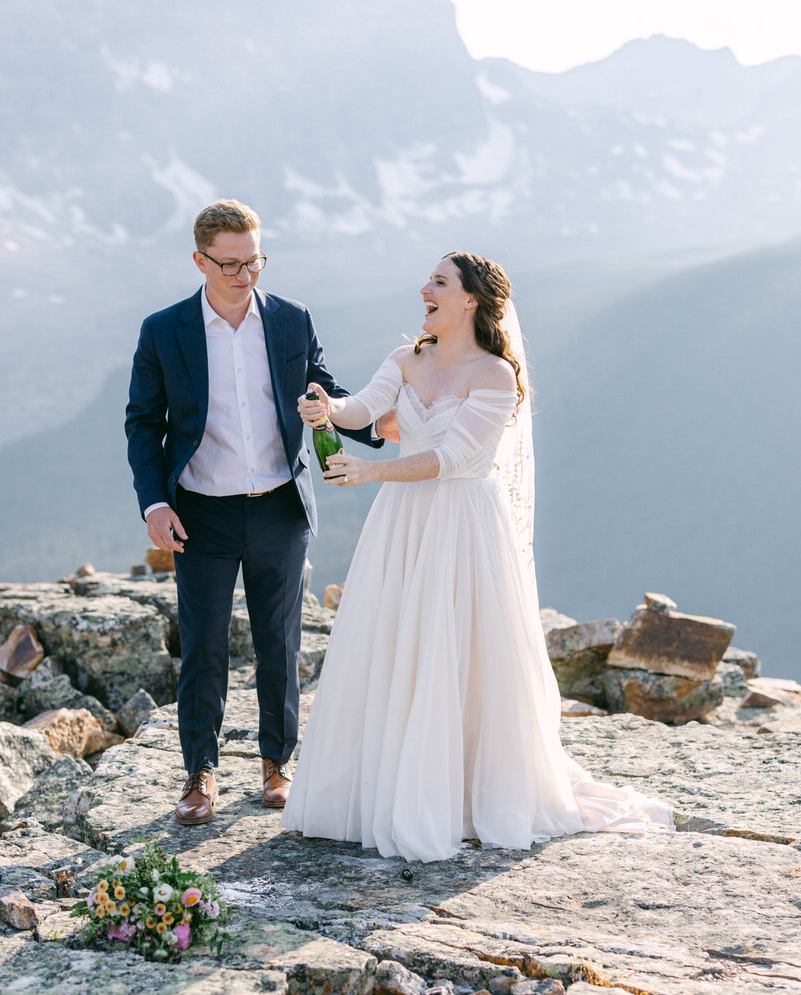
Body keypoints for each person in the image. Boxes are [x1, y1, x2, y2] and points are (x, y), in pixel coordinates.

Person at [281, 252, 673, 862]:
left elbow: (455, 460)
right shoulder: (405, 359)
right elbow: (362, 409)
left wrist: (371, 470)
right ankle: (381, 791)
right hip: (402, 525)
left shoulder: (496, 376)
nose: (424, 290)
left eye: (438, 283)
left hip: (462, 523)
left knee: (458, 651)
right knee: (393, 644)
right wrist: (325, 409)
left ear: (470, 300)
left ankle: (459, 796)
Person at [124, 199, 385, 826]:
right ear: (200, 261)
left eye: (256, 261)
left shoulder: (292, 320)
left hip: (280, 508)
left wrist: (360, 420)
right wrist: (154, 504)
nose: (247, 275)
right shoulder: (164, 330)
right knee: (204, 647)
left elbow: (324, 389)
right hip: (200, 514)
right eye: (232, 264)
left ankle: (277, 766)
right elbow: (143, 423)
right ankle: (199, 775)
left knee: (280, 644)